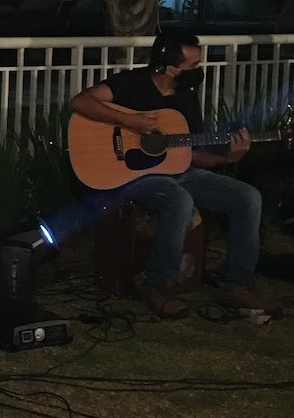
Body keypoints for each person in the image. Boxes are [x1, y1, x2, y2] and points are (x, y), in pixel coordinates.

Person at [70, 28, 265, 317]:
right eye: (193, 65)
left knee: (247, 197)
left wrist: (227, 157)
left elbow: (192, 154)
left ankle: (236, 285)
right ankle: (158, 285)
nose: (199, 70)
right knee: (179, 200)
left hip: (179, 172)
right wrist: (131, 121)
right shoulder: (131, 83)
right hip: (133, 176)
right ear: (170, 68)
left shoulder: (186, 99)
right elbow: (81, 102)